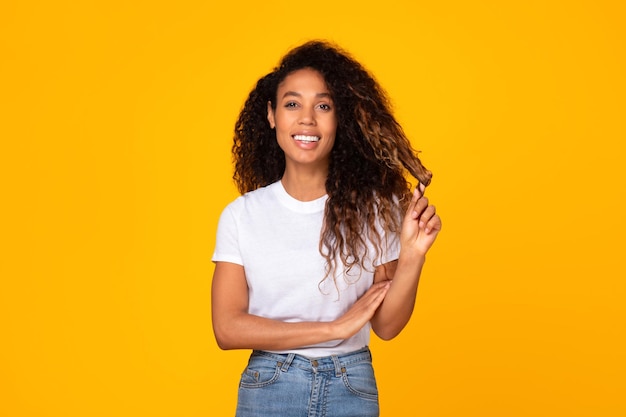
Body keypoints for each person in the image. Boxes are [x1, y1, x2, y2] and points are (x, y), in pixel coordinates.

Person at [211, 40, 442, 417]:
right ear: (271, 115)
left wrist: (414, 255)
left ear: (340, 118)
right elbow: (228, 328)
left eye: (323, 105)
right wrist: (333, 330)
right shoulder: (242, 215)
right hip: (271, 384)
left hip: (352, 384)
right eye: (291, 104)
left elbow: (386, 325)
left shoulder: (374, 209)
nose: (307, 119)